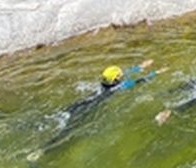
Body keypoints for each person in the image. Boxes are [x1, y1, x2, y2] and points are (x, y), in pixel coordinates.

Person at [27, 60, 163, 162]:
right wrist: (155, 73)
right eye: (120, 76)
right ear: (116, 80)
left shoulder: (104, 84)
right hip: (90, 108)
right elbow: (140, 81)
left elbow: (124, 74)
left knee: (56, 117)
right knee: (67, 131)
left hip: (80, 103)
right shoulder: (118, 87)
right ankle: (43, 150)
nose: (122, 76)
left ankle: (29, 126)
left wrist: (141, 66)